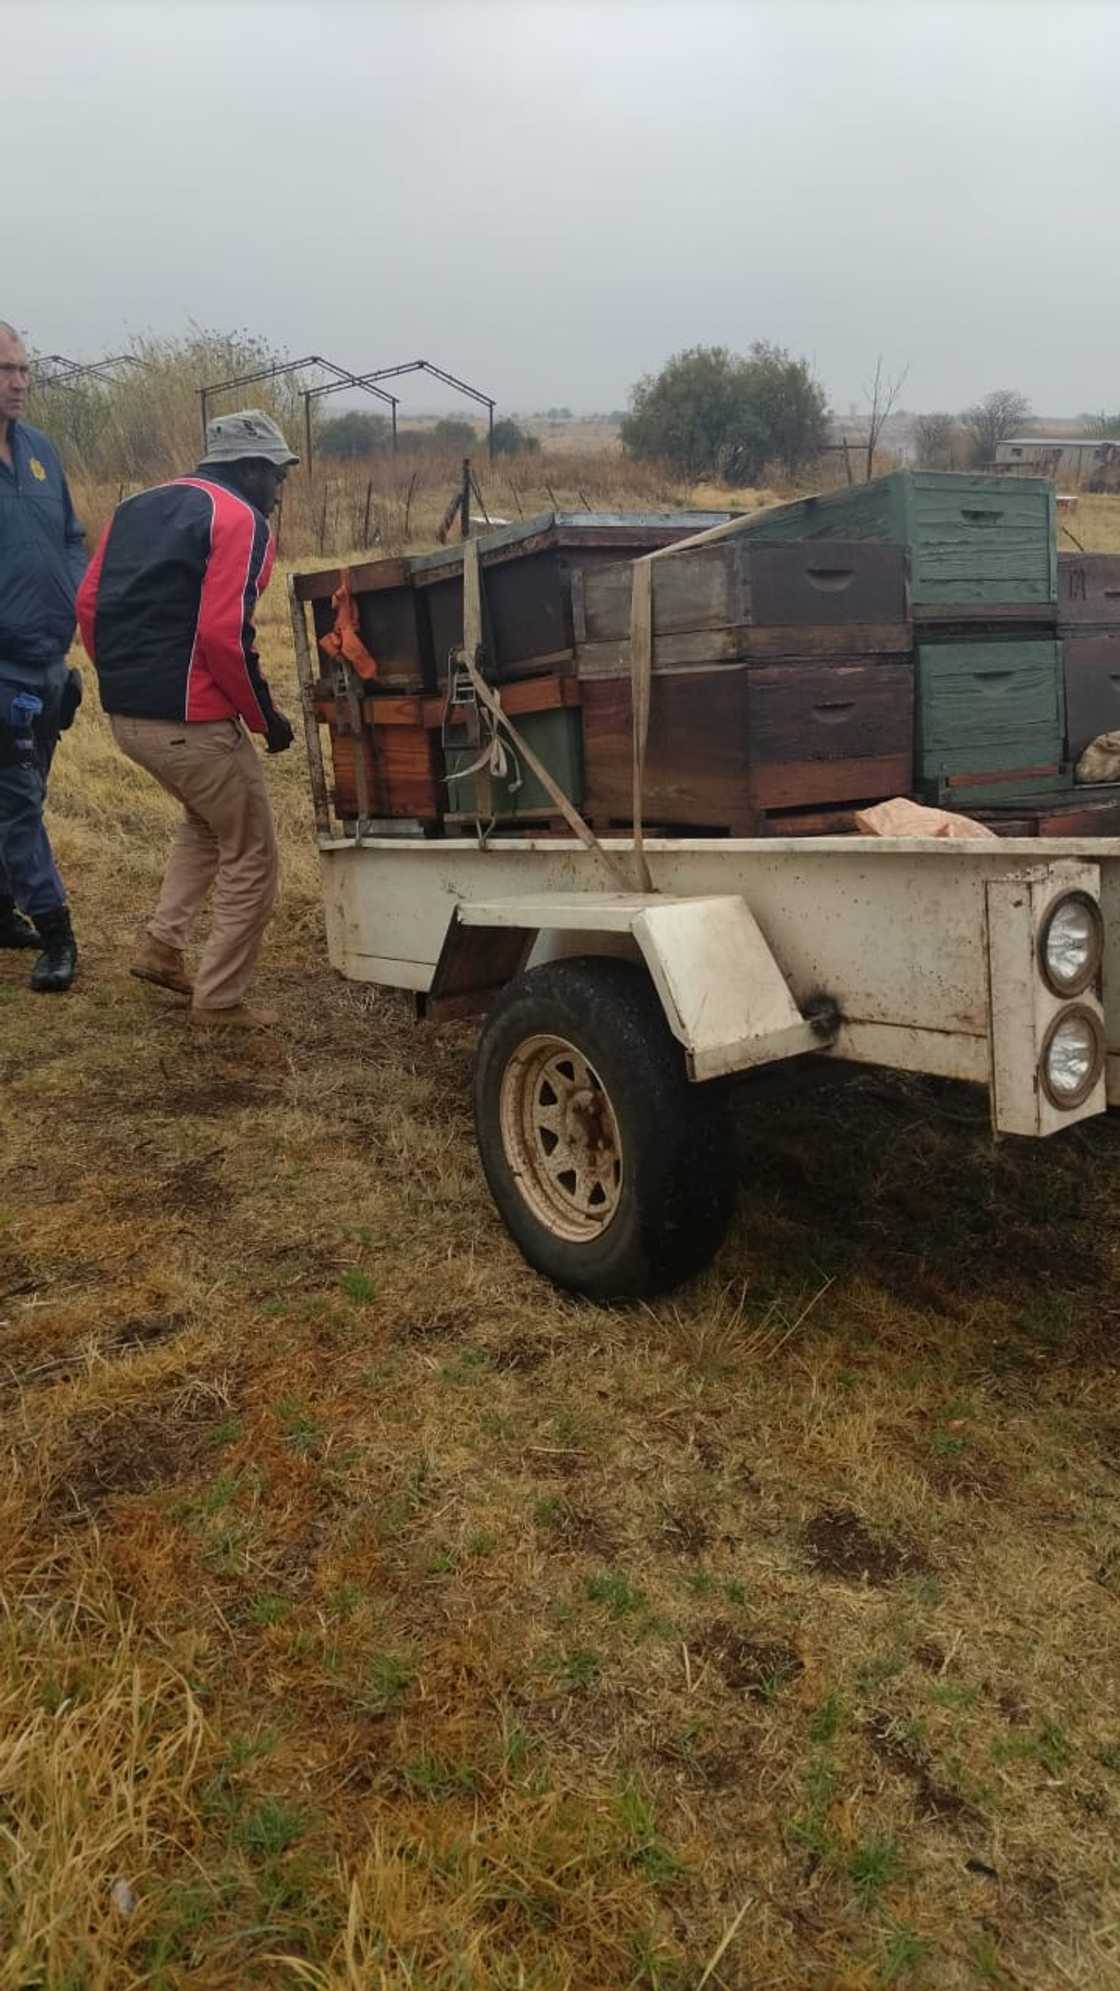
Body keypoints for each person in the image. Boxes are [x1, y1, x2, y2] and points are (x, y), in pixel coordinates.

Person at [77, 409, 297, 1032]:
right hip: (192, 725)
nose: (278, 493)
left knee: (205, 822)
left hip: (127, 717)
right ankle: (221, 1002)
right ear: (249, 468)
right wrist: (265, 718)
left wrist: (124, 676)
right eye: (276, 477)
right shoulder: (239, 519)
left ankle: (160, 947)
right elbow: (224, 634)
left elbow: (89, 604)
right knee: (252, 853)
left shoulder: (135, 507)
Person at [0, 320, 86, 994]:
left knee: (25, 796)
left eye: (23, 368)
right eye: (5, 370)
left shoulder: (40, 451)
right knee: (18, 801)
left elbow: (70, 534)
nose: (20, 381)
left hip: (49, 660)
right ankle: (57, 930)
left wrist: (74, 600)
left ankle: (2, 908)